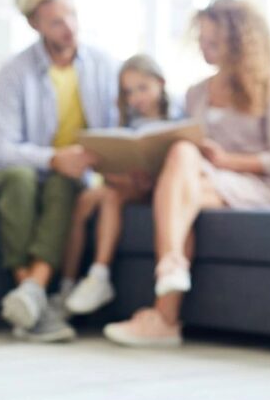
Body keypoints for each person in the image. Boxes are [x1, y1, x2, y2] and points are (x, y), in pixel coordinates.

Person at [103, 0, 270, 347]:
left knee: (182, 173)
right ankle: (168, 295)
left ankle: (165, 304)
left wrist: (226, 160)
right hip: (205, 180)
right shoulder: (197, 93)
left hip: (257, 186)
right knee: (181, 160)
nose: (205, 49)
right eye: (202, 41)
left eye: (214, 42)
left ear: (240, 42)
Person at [0, 0, 119, 342]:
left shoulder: (103, 65)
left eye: (71, 14)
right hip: (5, 175)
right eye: (56, 21)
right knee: (24, 179)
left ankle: (30, 297)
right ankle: (32, 296)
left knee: (65, 183)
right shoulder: (14, 71)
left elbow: (117, 130)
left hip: (68, 178)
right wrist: (54, 158)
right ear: (34, 24)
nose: (69, 26)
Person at [60, 54, 183, 316]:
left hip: (165, 189)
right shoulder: (128, 124)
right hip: (131, 186)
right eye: (129, 92)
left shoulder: (179, 116)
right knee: (88, 198)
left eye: (143, 88)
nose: (136, 98)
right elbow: (111, 174)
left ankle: (97, 275)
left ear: (160, 83)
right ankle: (69, 285)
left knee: (109, 196)